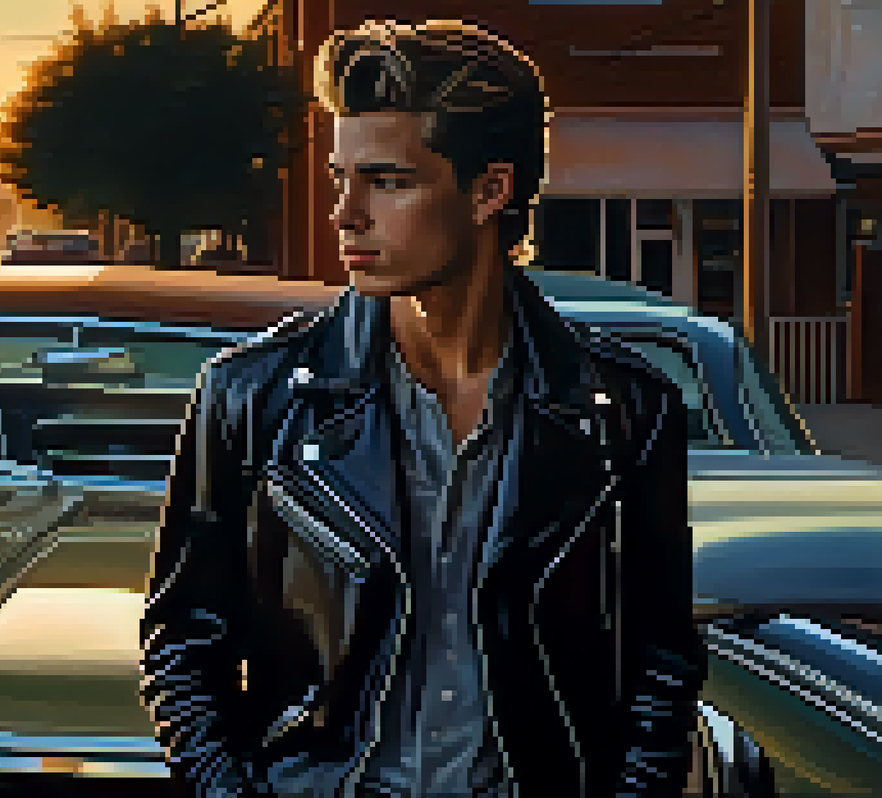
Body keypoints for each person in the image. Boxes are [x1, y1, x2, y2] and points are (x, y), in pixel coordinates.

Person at [138, 18, 706, 797]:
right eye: (342, 178)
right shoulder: (254, 397)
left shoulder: (626, 413)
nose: (346, 213)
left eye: (388, 181)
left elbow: (661, 669)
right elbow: (182, 644)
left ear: (490, 191)